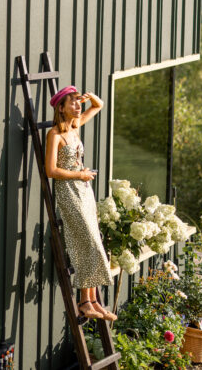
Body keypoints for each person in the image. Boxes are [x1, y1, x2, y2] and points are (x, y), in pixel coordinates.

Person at [44, 85, 116, 322]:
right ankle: (85, 301)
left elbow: (99, 105)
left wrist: (88, 97)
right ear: (61, 108)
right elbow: (51, 170)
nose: (77, 106)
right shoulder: (55, 135)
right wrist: (80, 175)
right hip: (69, 192)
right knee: (90, 242)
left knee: (95, 241)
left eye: (78, 102)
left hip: (85, 191)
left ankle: (91, 301)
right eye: (72, 102)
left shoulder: (75, 127)